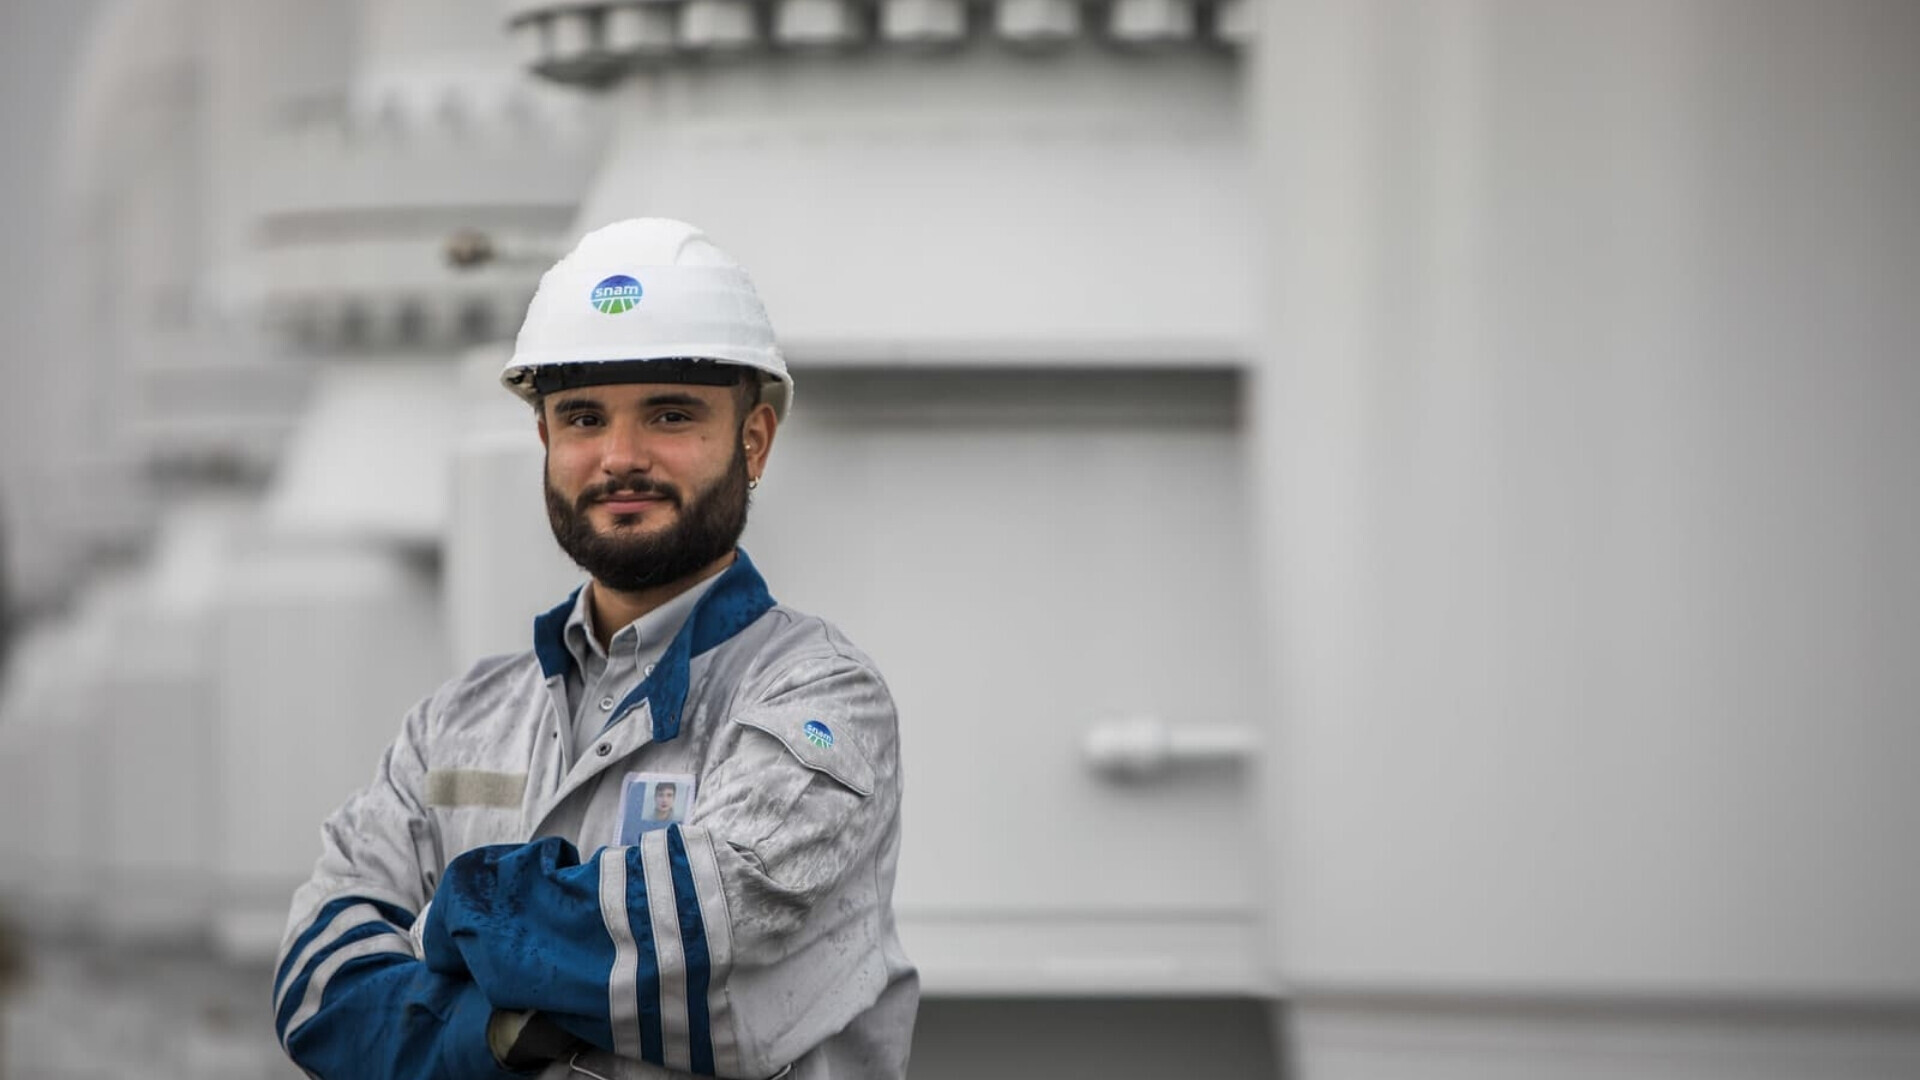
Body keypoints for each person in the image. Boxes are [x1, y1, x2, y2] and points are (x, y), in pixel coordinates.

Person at [270, 219, 918, 1079]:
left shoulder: (821, 699)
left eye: (671, 415)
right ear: (545, 441)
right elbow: (318, 989)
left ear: (753, 440)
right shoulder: (458, 724)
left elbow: (710, 950)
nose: (620, 457)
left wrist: (457, 915)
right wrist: (508, 1032)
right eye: (583, 417)